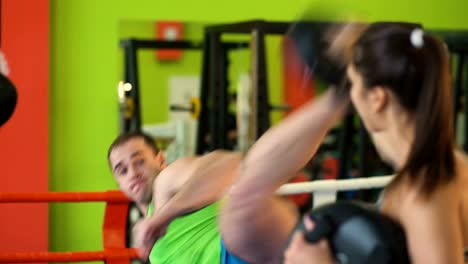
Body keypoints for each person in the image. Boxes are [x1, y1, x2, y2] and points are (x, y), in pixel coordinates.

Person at [282, 23, 468, 263]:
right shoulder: (451, 165)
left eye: (354, 82)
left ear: (377, 99)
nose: (352, 95)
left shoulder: (421, 190)